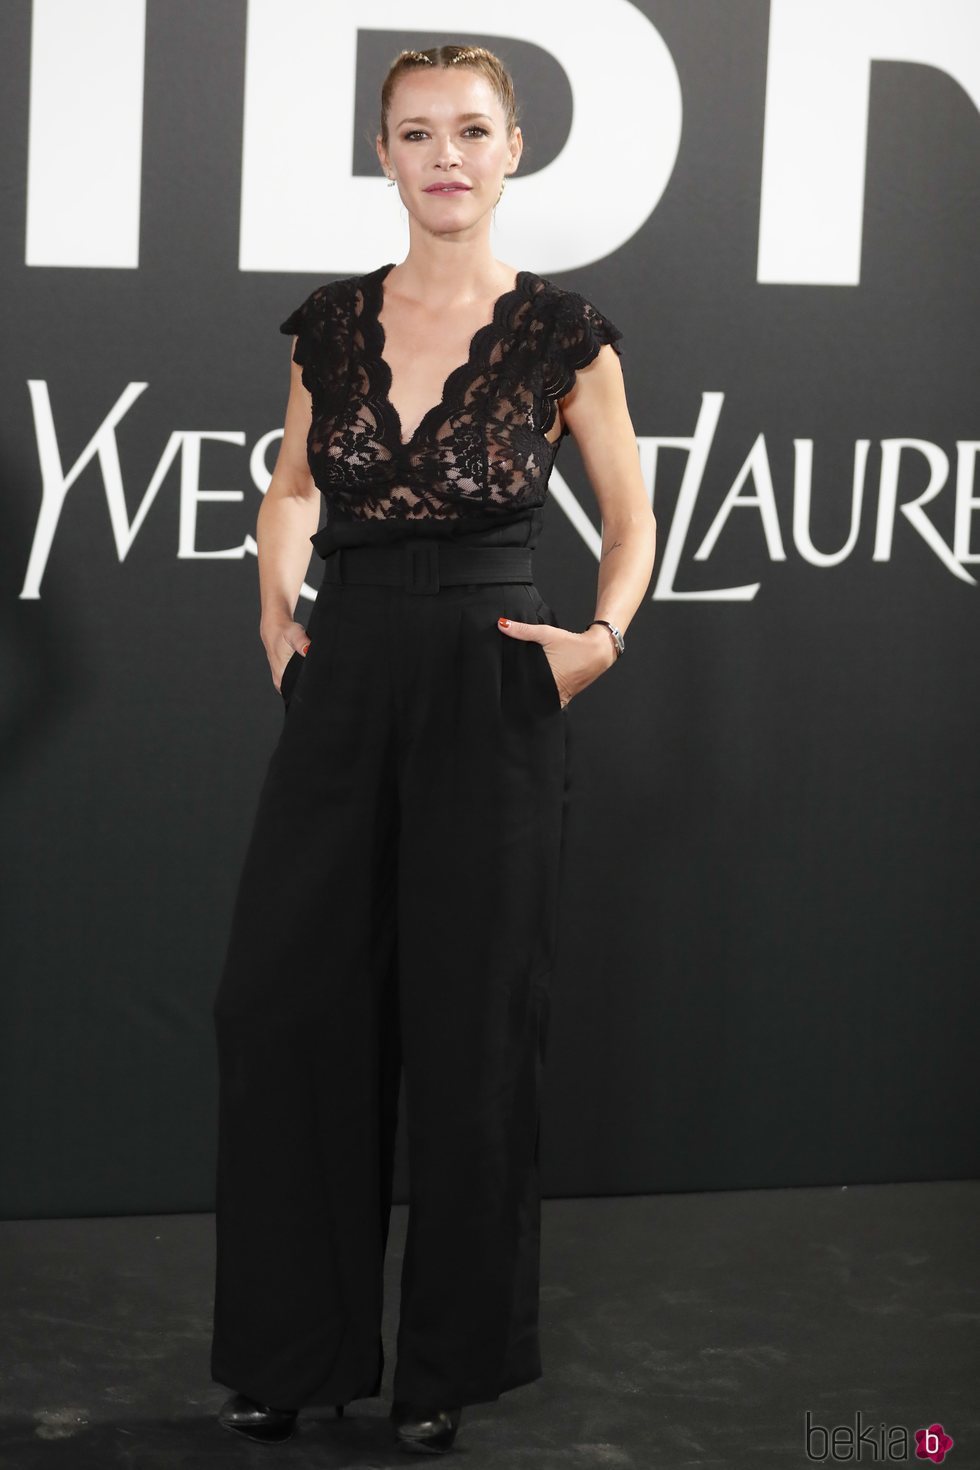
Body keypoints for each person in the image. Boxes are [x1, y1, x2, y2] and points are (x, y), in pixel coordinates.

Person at [210, 42, 657, 1456]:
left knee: (473, 1028)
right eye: (416, 133)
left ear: (513, 149)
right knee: (283, 1009)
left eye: (470, 130)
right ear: (385, 155)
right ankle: (292, 1351)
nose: (444, 155)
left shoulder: (564, 334)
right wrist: (276, 613)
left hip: (490, 674)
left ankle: (443, 1368)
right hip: (346, 674)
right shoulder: (330, 326)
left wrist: (604, 635)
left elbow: (633, 515)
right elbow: (292, 487)